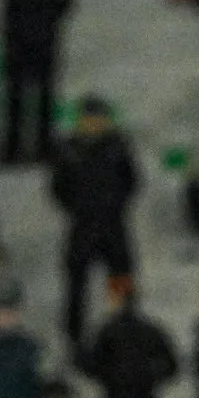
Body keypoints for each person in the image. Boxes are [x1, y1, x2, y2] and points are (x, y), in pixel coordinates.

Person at [48, 95, 139, 347]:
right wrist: (78, 208)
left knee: (121, 279)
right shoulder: (68, 148)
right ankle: (74, 338)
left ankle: (125, 330)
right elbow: (58, 187)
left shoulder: (118, 146)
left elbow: (131, 182)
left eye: (99, 119)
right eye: (90, 119)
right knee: (76, 286)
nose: (95, 124)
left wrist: (114, 204)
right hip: (82, 225)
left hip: (113, 224)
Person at [0, 0, 75, 163]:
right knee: (15, 95)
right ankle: (13, 147)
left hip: (46, 35)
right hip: (18, 37)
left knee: (46, 94)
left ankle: (44, 147)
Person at [79, 276, 178, 398]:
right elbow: (170, 366)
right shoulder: (151, 330)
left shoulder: (107, 332)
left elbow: (89, 364)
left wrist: (111, 376)